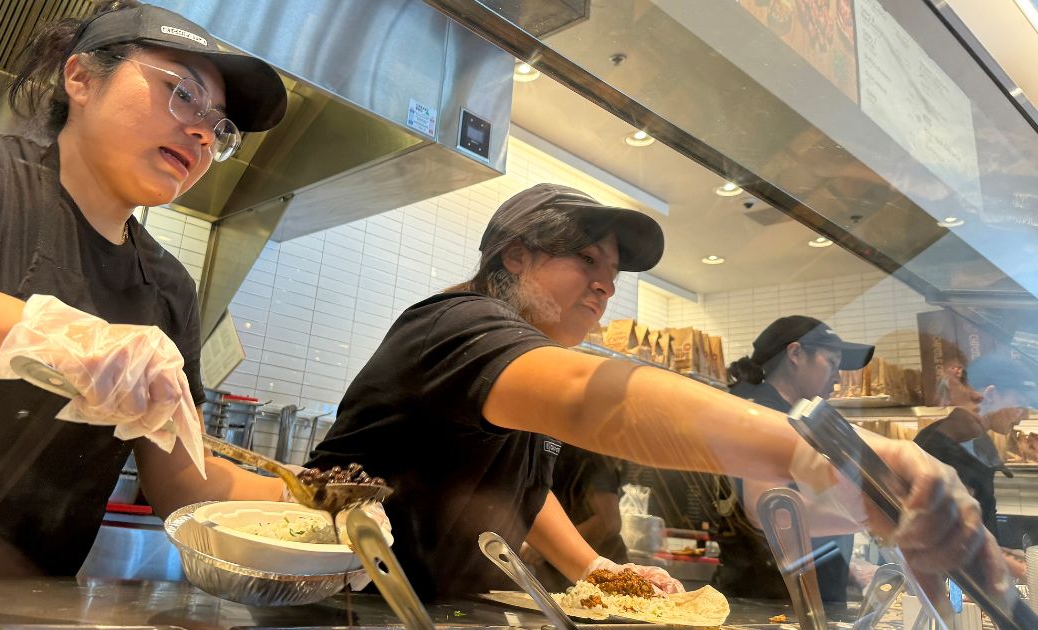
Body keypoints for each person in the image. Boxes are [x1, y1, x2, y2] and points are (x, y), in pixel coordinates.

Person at [306, 183, 1005, 608]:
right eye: (586, 258)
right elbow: (591, 396)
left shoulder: (512, 364)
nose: (607, 284)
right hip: (334, 605)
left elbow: (522, 485)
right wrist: (835, 457)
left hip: (424, 605)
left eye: (612, 271)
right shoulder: (459, 326)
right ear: (514, 256)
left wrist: (595, 567)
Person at [0, 1, 301, 576]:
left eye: (220, 127)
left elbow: (178, 477)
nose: (204, 132)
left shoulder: (167, 291)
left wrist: (310, 506)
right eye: (183, 93)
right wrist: (53, 337)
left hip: (23, 608)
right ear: (80, 77)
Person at [717, 316, 874, 602]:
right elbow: (773, 508)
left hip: (794, 600)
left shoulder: (796, 421)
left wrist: (839, 566)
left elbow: (809, 511)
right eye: (832, 362)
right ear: (796, 354)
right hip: (768, 604)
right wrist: (877, 517)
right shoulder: (764, 416)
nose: (838, 377)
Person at [915, 353, 1038, 546]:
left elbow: (985, 516)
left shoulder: (980, 441)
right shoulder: (937, 447)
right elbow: (948, 539)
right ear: (990, 395)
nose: (1021, 418)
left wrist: (1003, 557)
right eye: (1019, 405)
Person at [524, 444, 629, 591]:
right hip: (562, 572)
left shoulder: (589, 450)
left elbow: (609, 522)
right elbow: (534, 495)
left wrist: (547, 545)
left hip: (602, 568)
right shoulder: (541, 444)